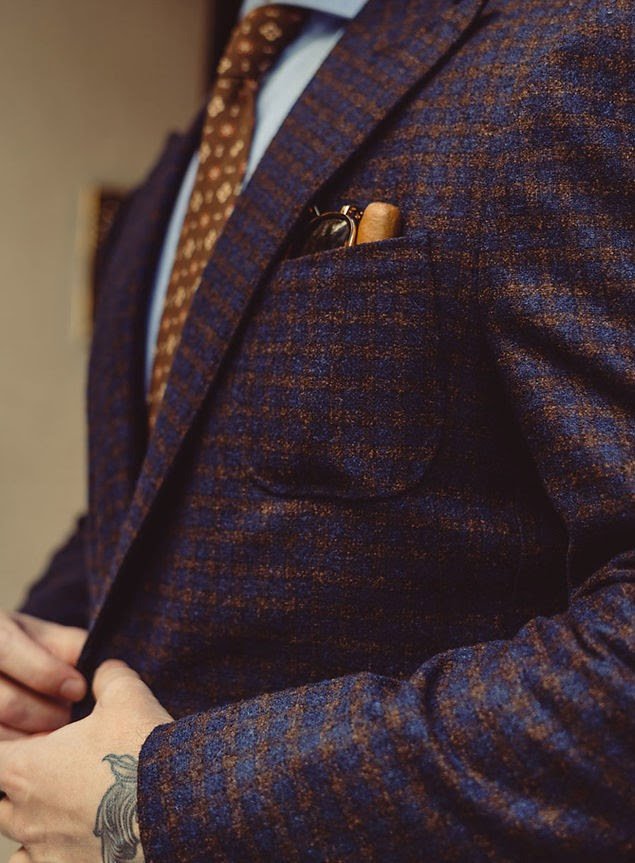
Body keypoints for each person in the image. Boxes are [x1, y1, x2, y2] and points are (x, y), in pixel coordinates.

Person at [0, 0, 633, 860]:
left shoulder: (575, 50)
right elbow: (156, 505)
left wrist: (167, 803)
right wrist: (26, 661)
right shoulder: (196, 148)